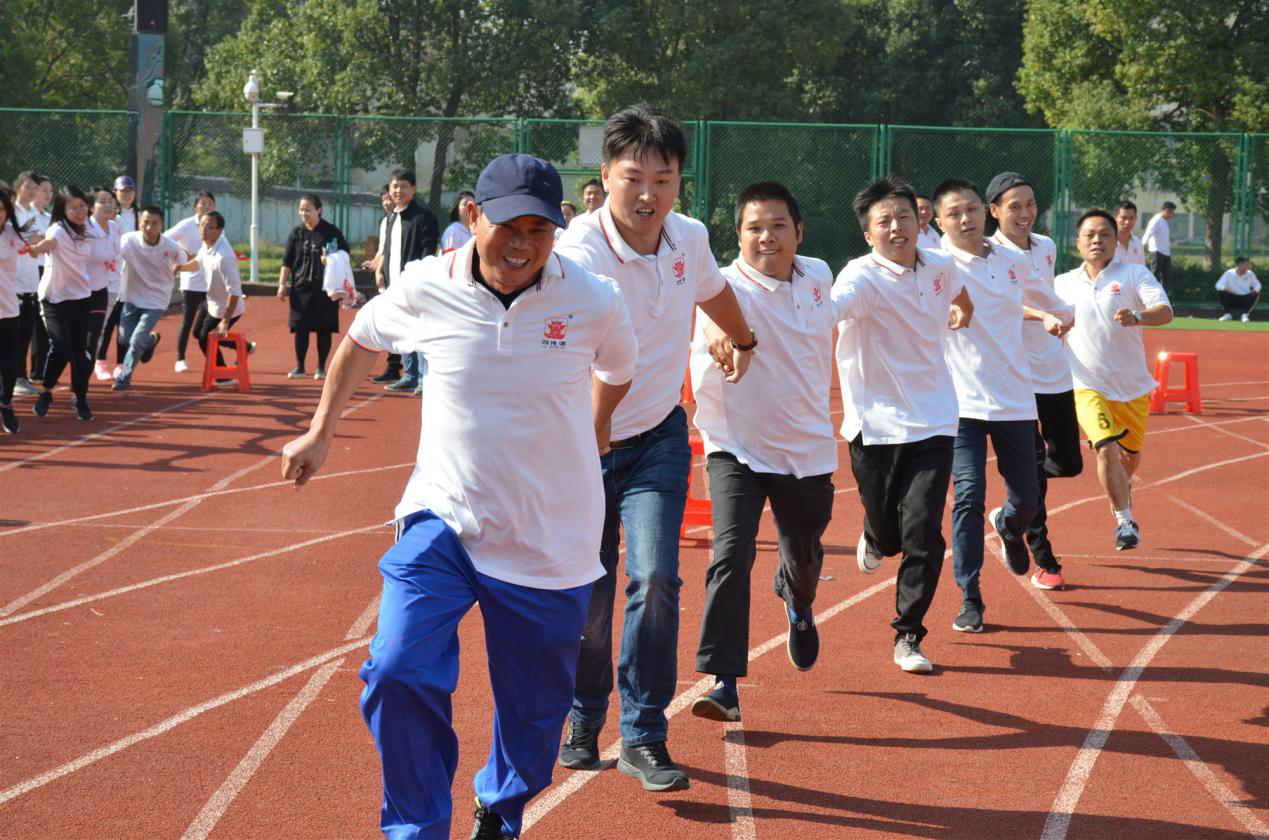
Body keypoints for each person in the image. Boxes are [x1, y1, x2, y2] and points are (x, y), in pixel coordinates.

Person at [281, 153, 638, 840]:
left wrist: (590, 436)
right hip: (445, 517)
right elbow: (359, 340)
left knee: (535, 714)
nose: (522, 243)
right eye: (508, 224)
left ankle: (499, 806)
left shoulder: (591, 299)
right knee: (394, 668)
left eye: (539, 228)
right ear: (473, 216)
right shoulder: (427, 285)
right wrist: (321, 431)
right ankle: (418, 828)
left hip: (550, 535)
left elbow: (618, 370)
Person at [555, 104, 757, 792]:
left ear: (680, 185)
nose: (647, 195)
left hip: (656, 440)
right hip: (580, 442)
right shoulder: (576, 251)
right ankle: (584, 716)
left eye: (662, 180)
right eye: (633, 177)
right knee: (590, 592)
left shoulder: (689, 240)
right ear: (605, 176)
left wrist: (745, 338)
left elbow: (716, 293)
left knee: (656, 576)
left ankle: (643, 732)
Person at [688, 182, 836, 723]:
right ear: (738, 235)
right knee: (731, 553)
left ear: (799, 232)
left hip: (807, 450)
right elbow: (712, 324)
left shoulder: (818, 276)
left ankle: (797, 603)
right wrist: (720, 340)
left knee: (803, 558)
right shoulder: (724, 285)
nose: (766, 237)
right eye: (754, 227)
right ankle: (723, 680)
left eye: (777, 226)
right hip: (737, 447)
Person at [834, 176, 973, 672]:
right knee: (891, 537)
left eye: (903, 217)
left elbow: (961, 297)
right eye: (883, 222)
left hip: (934, 419)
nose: (896, 227)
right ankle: (874, 534)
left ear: (921, 221)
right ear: (868, 234)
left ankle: (908, 634)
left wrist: (959, 314)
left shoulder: (940, 264)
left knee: (923, 535)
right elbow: (830, 310)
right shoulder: (859, 277)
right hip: (874, 425)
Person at [935, 177, 1072, 633]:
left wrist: (1059, 315)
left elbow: (1034, 303)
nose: (965, 219)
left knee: (1028, 502)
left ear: (985, 212)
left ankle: (1009, 525)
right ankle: (970, 596)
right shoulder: (936, 266)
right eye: (954, 213)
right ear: (939, 222)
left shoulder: (1015, 260)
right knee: (968, 496)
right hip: (961, 404)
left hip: (1014, 399)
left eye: (971, 209)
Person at [987, 171, 1085, 591]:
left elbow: (1046, 293)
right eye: (1015, 206)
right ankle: (1043, 557)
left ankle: (1008, 509)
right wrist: (1041, 316)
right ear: (994, 212)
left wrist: (1064, 313)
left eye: (1029, 204)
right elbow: (1007, 303)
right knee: (1032, 467)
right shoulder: (988, 253)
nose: (1025, 213)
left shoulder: (1045, 246)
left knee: (1067, 463)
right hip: (1015, 374)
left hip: (1054, 367)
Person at [1053, 210, 1173, 551]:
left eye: (1104, 234)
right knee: (1104, 447)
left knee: (1128, 459)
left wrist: (1137, 316)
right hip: (1085, 384)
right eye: (1089, 234)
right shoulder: (1062, 283)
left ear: (1115, 241)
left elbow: (1165, 312)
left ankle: (1122, 489)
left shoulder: (1134, 273)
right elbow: (1028, 310)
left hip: (1132, 387)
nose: (1096, 240)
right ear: (1077, 243)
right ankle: (1124, 521)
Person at [25, 186, 98, 421]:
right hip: (54, 299)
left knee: (80, 353)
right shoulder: (58, 230)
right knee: (62, 347)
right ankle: (46, 392)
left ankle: (81, 398)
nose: (79, 211)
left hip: (81, 298)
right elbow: (47, 243)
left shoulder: (89, 228)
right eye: (73, 208)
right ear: (63, 210)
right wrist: (36, 249)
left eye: (82, 206)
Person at [376, 169, 439, 393]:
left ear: (413, 189)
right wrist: (380, 270)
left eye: (403, 186)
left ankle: (423, 378)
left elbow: (428, 251)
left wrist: (419, 278)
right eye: (395, 187)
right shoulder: (392, 217)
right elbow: (387, 249)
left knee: (420, 331)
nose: (398, 191)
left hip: (416, 286)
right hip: (394, 286)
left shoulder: (424, 217)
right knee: (403, 330)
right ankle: (410, 374)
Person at [112, 206, 184, 390]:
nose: (149, 227)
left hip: (156, 300)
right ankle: (150, 341)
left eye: (154, 223)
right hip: (131, 296)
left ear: (161, 225)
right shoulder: (128, 241)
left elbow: (185, 261)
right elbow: (112, 256)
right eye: (145, 222)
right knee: (124, 339)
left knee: (136, 341)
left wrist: (172, 274)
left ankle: (124, 378)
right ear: (139, 223)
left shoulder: (170, 245)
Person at [278, 194, 349, 380]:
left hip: (325, 289)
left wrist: (331, 259)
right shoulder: (296, 234)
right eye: (301, 210)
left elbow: (344, 254)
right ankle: (300, 367)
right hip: (300, 288)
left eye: (308, 209)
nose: (304, 213)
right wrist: (282, 284)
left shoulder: (331, 232)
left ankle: (321, 368)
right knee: (300, 328)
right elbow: (287, 261)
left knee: (323, 328)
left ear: (319, 210)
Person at [173, 211, 247, 378]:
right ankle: (245, 347)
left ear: (219, 230)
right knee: (197, 332)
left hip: (227, 308)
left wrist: (225, 321)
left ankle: (223, 375)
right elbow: (199, 262)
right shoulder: (207, 245)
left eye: (208, 226)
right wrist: (181, 268)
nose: (203, 229)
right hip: (212, 302)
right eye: (201, 225)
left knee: (205, 338)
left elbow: (234, 292)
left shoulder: (224, 258)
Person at [165, 191, 216, 372]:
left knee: (211, 323)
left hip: (211, 283)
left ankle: (222, 358)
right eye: (203, 203)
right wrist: (183, 255)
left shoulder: (216, 226)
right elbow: (165, 238)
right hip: (191, 283)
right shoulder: (186, 225)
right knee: (188, 321)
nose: (207, 207)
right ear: (196, 206)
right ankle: (180, 359)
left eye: (210, 204)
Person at [94, 175, 140, 379]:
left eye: (130, 191)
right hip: (110, 274)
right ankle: (100, 361)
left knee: (125, 321)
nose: (127, 195)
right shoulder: (112, 218)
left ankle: (121, 363)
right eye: (122, 191)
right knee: (108, 319)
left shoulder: (140, 216)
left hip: (132, 275)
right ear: (115, 193)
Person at [12, 172, 50, 396]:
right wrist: (34, 239)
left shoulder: (33, 213)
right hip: (13, 282)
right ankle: (13, 378)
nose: (32, 191)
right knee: (14, 334)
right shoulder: (12, 213)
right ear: (18, 189)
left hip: (31, 281)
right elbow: (25, 239)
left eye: (35, 188)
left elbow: (41, 240)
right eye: (28, 187)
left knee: (26, 333)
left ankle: (21, 376)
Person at [364, 185, 402, 385]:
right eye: (383, 200)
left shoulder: (403, 220)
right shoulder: (386, 222)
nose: (386, 203)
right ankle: (393, 366)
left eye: (389, 198)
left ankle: (410, 370)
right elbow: (382, 251)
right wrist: (375, 266)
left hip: (401, 279)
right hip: (388, 280)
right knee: (391, 324)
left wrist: (380, 269)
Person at [85, 188, 121, 382]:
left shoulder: (114, 227)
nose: (109, 205)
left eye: (111, 201)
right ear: (91, 207)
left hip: (101, 290)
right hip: (77, 292)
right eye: (103, 201)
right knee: (74, 341)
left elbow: (116, 252)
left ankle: (81, 386)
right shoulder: (84, 229)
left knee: (93, 339)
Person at [0, 188, 27, 432]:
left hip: (8, 310)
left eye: (0, 208)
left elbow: (33, 244)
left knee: (9, 366)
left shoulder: (12, 235)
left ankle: (6, 405)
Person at [1142, 201, 1175, 289]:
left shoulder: (1164, 221)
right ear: (1167, 211)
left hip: (1166, 253)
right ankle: (1153, 298)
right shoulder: (1156, 220)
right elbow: (1148, 232)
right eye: (1172, 212)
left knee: (1166, 276)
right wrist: (1142, 245)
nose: (1173, 215)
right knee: (1155, 276)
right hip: (1156, 252)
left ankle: (1164, 298)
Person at [1215, 256, 1259, 322]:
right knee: (1221, 292)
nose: (1248, 267)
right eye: (1246, 265)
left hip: (1246, 299)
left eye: (1248, 265)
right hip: (1232, 299)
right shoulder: (1229, 273)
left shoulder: (1250, 273)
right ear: (1239, 264)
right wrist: (1224, 287)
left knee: (1256, 293)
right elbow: (1218, 285)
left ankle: (1245, 315)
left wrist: (1256, 288)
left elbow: (1258, 284)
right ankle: (1228, 314)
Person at [1112, 201, 1145, 266]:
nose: (1127, 222)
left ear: (1135, 219)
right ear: (1114, 218)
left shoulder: (1138, 243)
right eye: (1123, 218)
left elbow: (1142, 269)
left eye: (1131, 218)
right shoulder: (1107, 243)